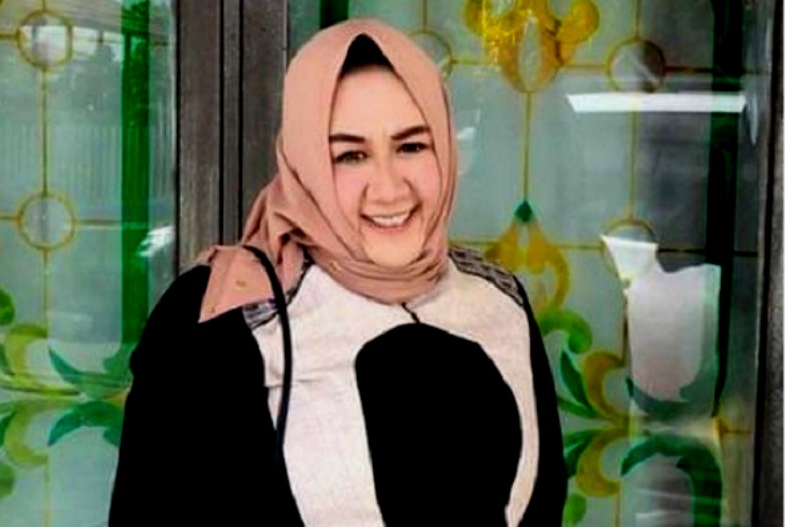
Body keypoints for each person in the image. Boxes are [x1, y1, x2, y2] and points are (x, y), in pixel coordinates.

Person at [109, 18, 566, 526]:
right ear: (305, 164)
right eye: (350, 156)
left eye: (411, 146)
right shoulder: (219, 316)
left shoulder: (498, 298)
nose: (389, 189)